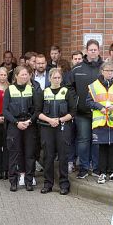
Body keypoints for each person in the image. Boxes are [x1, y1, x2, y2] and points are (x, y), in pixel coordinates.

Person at [37, 67, 75, 195]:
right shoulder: (44, 92)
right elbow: (37, 112)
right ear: (50, 78)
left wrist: (58, 120)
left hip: (63, 128)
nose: (57, 80)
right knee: (48, 156)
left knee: (63, 156)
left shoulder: (67, 92)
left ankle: (64, 184)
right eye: (54, 77)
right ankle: (48, 184)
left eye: (59, 78)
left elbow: (72, 112)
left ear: (61, 79)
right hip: (47, 128)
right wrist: (50, 120)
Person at [88, 61, 113, 185]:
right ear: (102, 71)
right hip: (101, 122)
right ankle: (102, 173)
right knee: (102, 148)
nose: (109, 73)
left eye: (111, 71)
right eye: (107, 71)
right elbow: (88, 102)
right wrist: (100, 107)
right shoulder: (94, 85)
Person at [70, 39, 103, 179]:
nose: (93, 52)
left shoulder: (104, 68)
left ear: (99, 51)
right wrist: (76, 102)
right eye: (91, 50)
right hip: (82, 113)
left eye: (95, 49)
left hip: (100, 112)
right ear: (86, 51)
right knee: (83, 141)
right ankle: (83, 168)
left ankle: (96, 168)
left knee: (97, 141)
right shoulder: (77, 68)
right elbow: (69, 87)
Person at [3, 65, 38, 192]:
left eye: (26, 74)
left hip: (29, 125)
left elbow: (37, 109)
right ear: (16, 76)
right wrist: (16, 122)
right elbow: (5, 111)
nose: (25, 76)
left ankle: (29, 181)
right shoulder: (10, 90)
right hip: (14, 125)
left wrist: (30, 121)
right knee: (13, 154)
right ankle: (13, 181)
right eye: (22, 74)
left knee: (29, 154)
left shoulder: (32, 89)